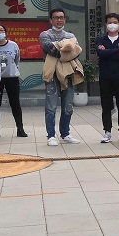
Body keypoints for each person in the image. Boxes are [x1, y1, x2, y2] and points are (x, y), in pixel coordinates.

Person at [40, 8, 81, 146]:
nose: (59, 20)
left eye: (61, 17)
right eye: (56, 17)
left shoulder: (70, 35)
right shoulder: (45, 35)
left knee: (68, 106)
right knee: (51, 107)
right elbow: (51, 50)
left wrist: (62, 48)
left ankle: (65, 133)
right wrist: (67, 48)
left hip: (68, 74)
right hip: (52, 75)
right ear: (50, 20)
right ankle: (51, 135)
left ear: (65, 19)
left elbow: (77, 52)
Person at [95, 12, 119, 144]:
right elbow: (100, 53)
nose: (112, 25)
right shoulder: (101, 39)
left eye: (115, 22)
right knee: (106, 106)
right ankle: (107, 131)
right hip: (105, 77)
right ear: (106, 24)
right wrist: (117, 51)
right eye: (110, 22)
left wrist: (108, 52)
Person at [0, 23, 26, 137]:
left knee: (15, 103)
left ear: (5, 32)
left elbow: (16, 60)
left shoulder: (13, 45)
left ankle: (20, 128)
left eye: (1, 30)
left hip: (12, 78)